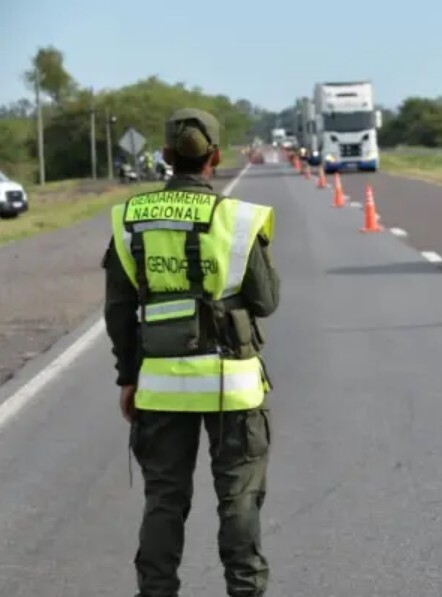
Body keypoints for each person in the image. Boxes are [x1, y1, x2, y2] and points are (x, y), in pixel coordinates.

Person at [102, 107, 281, 597]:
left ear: (164, 157)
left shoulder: (130, 219)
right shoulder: (236, 219)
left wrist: (127, 378)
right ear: (216, 157)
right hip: (232, 388)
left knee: (163, 500)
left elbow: (119, 310)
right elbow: (266, 302)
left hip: (160, 389)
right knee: (238, 499)